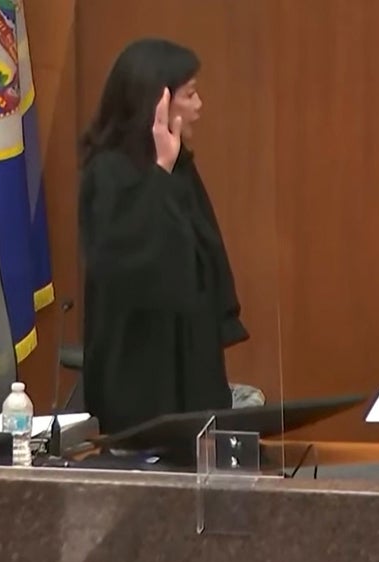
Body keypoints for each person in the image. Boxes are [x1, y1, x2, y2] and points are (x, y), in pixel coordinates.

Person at [78, 38, 252, 434]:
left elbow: (200, 260)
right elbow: (138, 270)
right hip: (139, 382)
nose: (198, 106)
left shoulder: (176, 166)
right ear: (155, 102)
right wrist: (159, 173)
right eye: (189, 94)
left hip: (191, 364)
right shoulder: (108, 173)